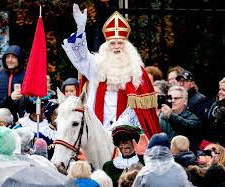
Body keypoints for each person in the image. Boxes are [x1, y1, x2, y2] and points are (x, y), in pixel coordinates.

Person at [62, 4, 160, 136]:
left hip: (127, 128)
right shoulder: (97, 65)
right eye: (112, 43)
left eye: (120, 43)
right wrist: (80, 29)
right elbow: (81, 58)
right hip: (99, 126)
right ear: (106, 46)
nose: (116, 47)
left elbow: (145, 113)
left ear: (127, 46)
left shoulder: (137, 71)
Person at [159, 86, 200, 150]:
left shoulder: (192, 118)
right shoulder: (162, 116)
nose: (172, 101)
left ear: (185, 101)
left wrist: (171, 115)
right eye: (170, 98)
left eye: (176, 98)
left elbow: (185, 127)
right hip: (164, 154)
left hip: (184, 156)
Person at [0, 45, 25, 111]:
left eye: (13, 57)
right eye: (7, 57)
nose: (10, 60)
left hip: (20, 118)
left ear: (19, 59)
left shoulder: (26, 76)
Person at [206, 76, 225, 150]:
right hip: (212, 148)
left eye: (223, 90)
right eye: (219, 89)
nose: (220, 92)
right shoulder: (214, 105)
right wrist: (205, 148)